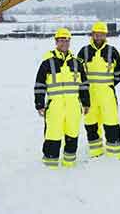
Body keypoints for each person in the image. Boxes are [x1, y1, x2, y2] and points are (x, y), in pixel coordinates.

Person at [34, 28, 90, 169]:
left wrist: (86, 103)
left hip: (73, 107)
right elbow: (40, 84)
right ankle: (50, 166)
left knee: (72, 134)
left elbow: (83, 85)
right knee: (53, 135)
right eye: (61, 40)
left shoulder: (77, 63)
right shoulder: (47, 62)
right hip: (55, 106)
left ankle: (69, 164)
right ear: (56, 42)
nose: (64, 43)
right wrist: (39, 104)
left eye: (66, 40)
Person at [77, 22, 120, 159]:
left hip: (107, 94)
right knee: (91, 124)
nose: (98, 36)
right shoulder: (84, 51)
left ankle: (114, 153)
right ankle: (96, 152)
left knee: (111, 123)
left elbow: (118, 72)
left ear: (105, 35)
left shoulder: (112, 51)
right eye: (96, 34)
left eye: (101, 34)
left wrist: (108, 86)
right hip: (89, 95)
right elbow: (77, 72)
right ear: (92, 35)